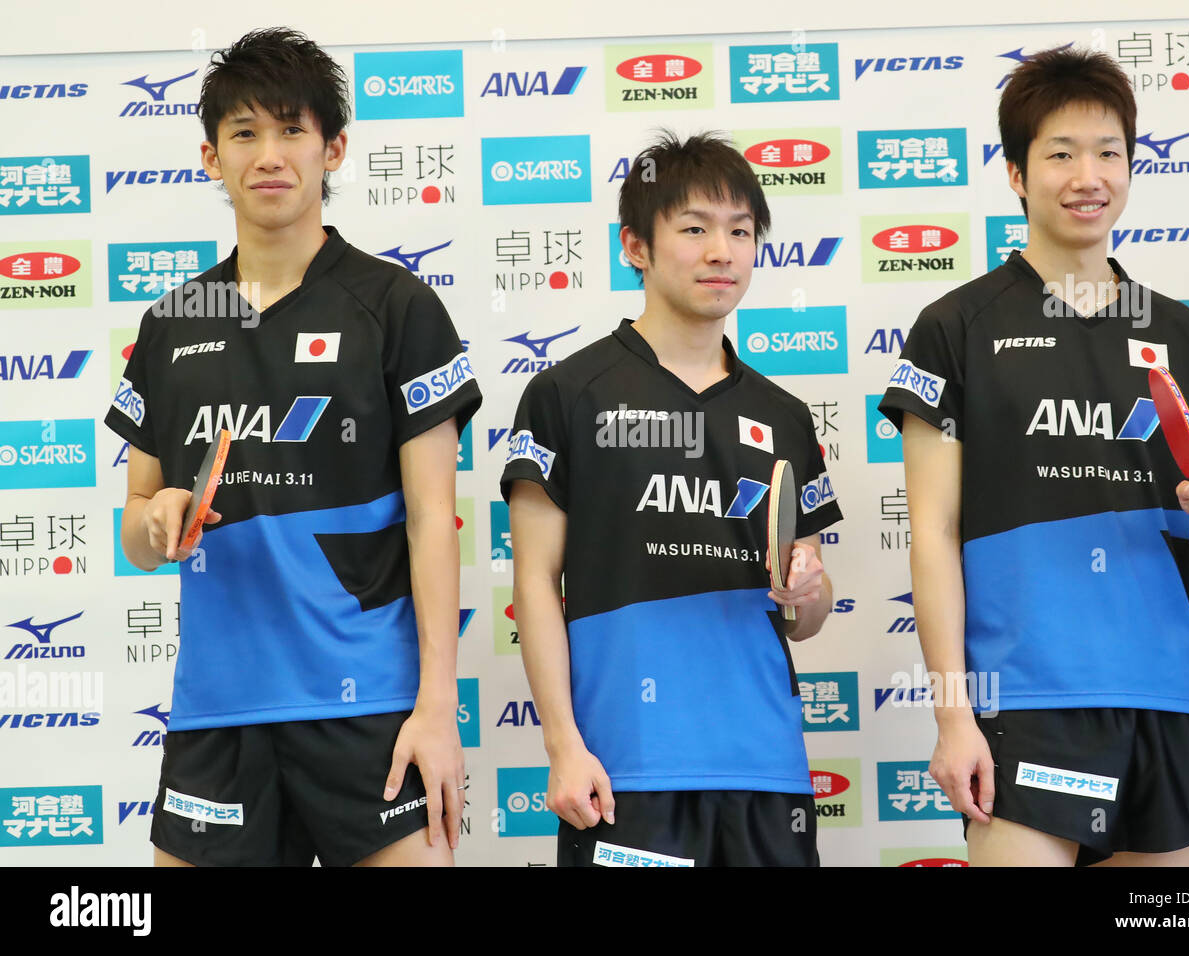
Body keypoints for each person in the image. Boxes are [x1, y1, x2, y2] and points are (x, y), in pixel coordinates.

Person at [105, 28, 480, 866]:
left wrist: (436, 707)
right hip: (219, 712)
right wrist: (158, 518)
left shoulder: (396, 305)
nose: (268, 155)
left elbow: (432, 520)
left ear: (332, 148)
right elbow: (135, 529)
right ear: (211, 155)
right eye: (244, 133)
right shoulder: (171, 324)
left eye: (291, 129)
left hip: (372, 709)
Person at [879, 48, 1189, 867]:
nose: (1089, 175)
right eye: (1060, 153)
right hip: (1026, 702)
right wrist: (952, 716)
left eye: (1109, 152)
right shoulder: (957, 329)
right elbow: (933, 534)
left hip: (1163, 698)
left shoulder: (1186, 336)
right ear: (1016, 173)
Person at [502, 131, 841, 867]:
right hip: (626, 770)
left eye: (740, 231)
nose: (721, 251)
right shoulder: (567, 395)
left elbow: (806, 613)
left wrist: (808, 591)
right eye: (694, 229)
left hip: (766, 768)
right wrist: (563, 745)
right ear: (636, 247)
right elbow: (534, 581)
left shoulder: (784, 416)